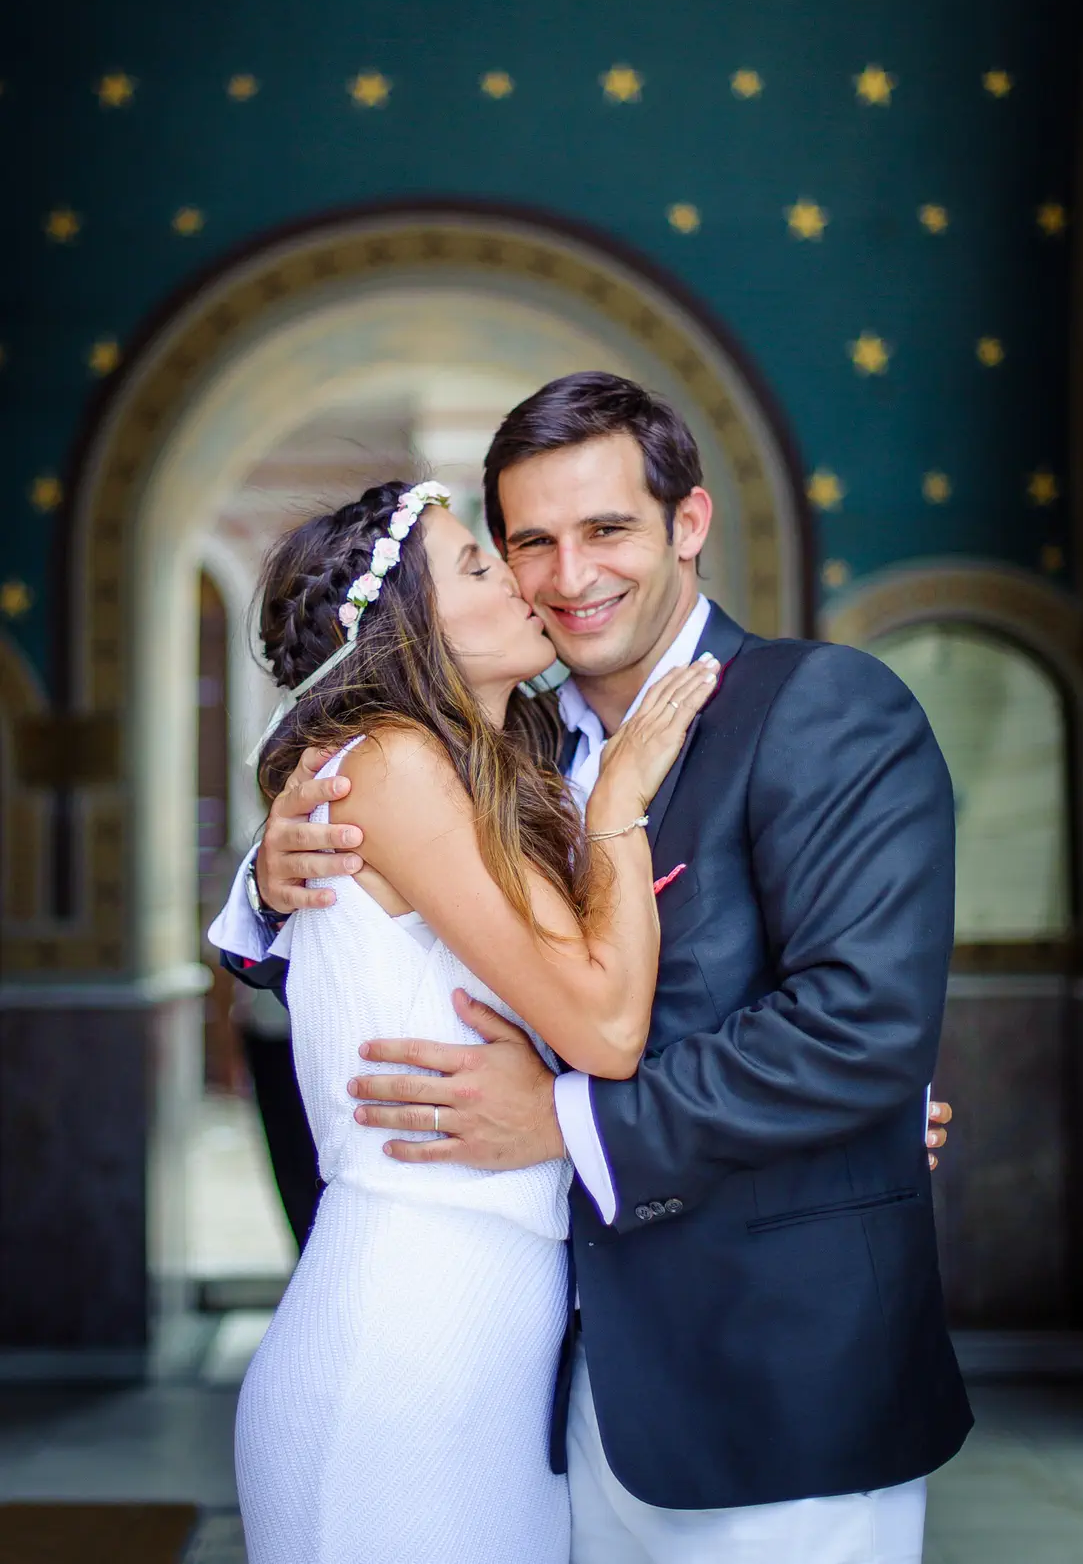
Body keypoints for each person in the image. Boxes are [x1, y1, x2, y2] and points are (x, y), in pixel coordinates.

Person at [217, 373, 970, 1563]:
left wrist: (562, 1119)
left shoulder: (820, 706)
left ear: (689, 522)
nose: (570, 574)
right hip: (551, 1392)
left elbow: (856, 1026)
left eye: (609, 527)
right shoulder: (492, 742)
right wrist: (265, 884)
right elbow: (382, 916)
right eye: (529, 542)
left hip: (775, 1391)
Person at [213, 475, 720, 1564]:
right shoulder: (393, 764)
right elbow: (605, 1028)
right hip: (396, 1354)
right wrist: (618, 804)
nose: (525, 581)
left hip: (493, 1361)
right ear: (410, 625)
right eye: (482, 565)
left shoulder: (488, 770)